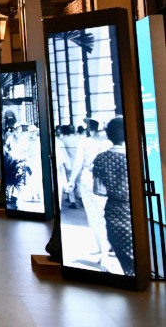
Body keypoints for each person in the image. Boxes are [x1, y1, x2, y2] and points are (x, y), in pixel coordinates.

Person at [92, 116, 135, 276]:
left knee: (128, 266)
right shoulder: (136, 156)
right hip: (135, 213)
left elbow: (99, 190)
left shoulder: (101, 159)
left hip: (114, 214)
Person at [65, 117, 112, 262]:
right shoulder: (109, 143)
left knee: (94, 217)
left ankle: (103, 252)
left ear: (90, 128)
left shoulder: (85, 142)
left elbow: (79, 163)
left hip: (89, 180)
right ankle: (106, 248)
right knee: (105, 215)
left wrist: (72, 181)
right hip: (106, 182)